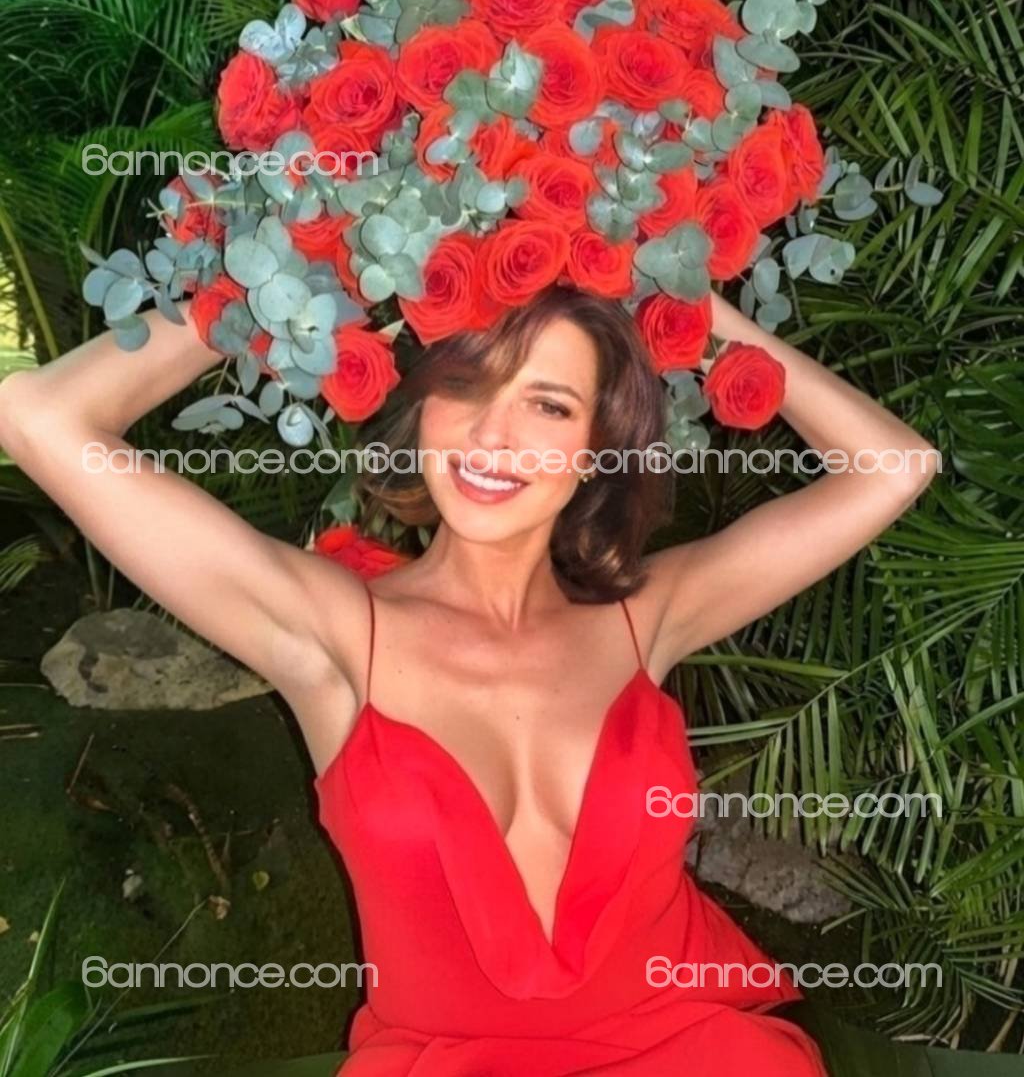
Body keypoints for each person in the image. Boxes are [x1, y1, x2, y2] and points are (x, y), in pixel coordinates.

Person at [0, 282, 937, 1075]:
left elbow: (896, 468)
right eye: (466, 385)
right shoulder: (335, 634)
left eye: (549, 405)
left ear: (598, 446)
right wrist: (285, 274)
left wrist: (692, 308)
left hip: (689, 1049)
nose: (494, 435)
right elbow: (38, 418)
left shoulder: (645, 618)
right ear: (422, 409)